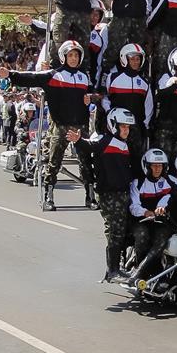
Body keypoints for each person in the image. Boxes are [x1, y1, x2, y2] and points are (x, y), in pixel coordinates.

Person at [0, 40, 95, 211]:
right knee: (54, 162)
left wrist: (92, 97)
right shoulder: (53, 75)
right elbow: (31, 77)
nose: (73, 58)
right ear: (63, 56)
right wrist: (10, 74)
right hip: (60, 125)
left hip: (81, 126)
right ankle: (49, 196)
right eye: (70, 55)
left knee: (85, 162)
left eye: (76, 55)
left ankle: (90, 196)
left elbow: (98, 92)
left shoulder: (85, 77)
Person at [67, 108, 137, 281]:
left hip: (123, 194)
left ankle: (117, 267)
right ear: (113, 126)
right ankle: (113, 270)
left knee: (122, 231)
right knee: (115, 232)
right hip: (109, 195)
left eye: (128, 127)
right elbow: (91, 146)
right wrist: (78, 141)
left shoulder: (125, 145)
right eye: (122, 127)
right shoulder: (106, 141)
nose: (126, 130)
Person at [126, 148, 174, 287]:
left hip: (160, 221)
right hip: (140, 221)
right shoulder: (138, 183)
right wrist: (146, 212)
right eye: (154, 165)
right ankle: (140, 270)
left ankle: (159, 272)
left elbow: (167, 198)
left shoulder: (167, 182)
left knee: (163, 238)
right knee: (143, 236)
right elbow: (133, 207)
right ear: (147, 166)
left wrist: (161, 208)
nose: (158, 168)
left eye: (160, 165)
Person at [100, 43, 153, 160]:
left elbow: (149, 105)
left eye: (138, 59)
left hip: (136, 127)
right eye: (132, 59)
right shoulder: (113, 77)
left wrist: (145, 124)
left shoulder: (145, 81)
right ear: (125, 59)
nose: (136, 62)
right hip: (116, 126)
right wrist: (109, 112)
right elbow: (105, 98)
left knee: (135, 157)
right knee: (115, 157)